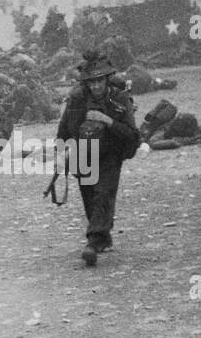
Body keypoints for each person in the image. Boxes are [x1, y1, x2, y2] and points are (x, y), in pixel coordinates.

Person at [55, 52, 140, 266]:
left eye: (99, 81)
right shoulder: (77, 99)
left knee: (103, 193)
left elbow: (132, 134)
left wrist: (108, 121)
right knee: (90, 196)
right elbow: (64, 128)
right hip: (83, 154)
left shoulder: (119, 99)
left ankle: (93, 242)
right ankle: (103, 237)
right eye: (91, 82)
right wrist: (62, 151)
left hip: (110, 153)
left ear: (107, 80)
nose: (95, 86)